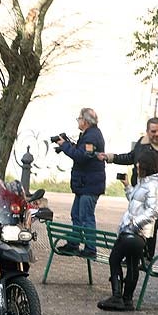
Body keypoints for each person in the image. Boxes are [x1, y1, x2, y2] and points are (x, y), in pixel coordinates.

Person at [102, 117, 158, 262]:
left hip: (156, 193)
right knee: (132, 223)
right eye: (153, 131)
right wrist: (110, 157)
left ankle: (145, 257)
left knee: (149, 227)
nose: (157, 134)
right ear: (147, 132)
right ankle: (132, 256)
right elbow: (131, 157)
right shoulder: (142, 142)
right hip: (139, 190)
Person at [97, 150, 158, 311]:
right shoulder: (144, 182)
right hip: (133, 232)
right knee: (132, 263)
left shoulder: (154, 185)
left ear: (147, 165)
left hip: (136, 233)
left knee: (115, 259)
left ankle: (117, 297)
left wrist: (134, 224)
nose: (136, 165)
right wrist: (127, 186)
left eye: (139, 163)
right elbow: (135, 201)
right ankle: (127, 300)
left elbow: (154, 210)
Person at [54, 107, 105, 257]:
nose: (78, 121)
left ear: (85, 121)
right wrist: (67, 145)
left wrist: (64, 146)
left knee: (86, 217)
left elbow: (81, 156)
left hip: (89, 185)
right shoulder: (89, 135)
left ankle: (90, 249)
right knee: (76, 214)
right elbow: (82, 152)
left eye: (79, 118)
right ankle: (74, 244)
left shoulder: (92, 137)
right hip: (85, 184)